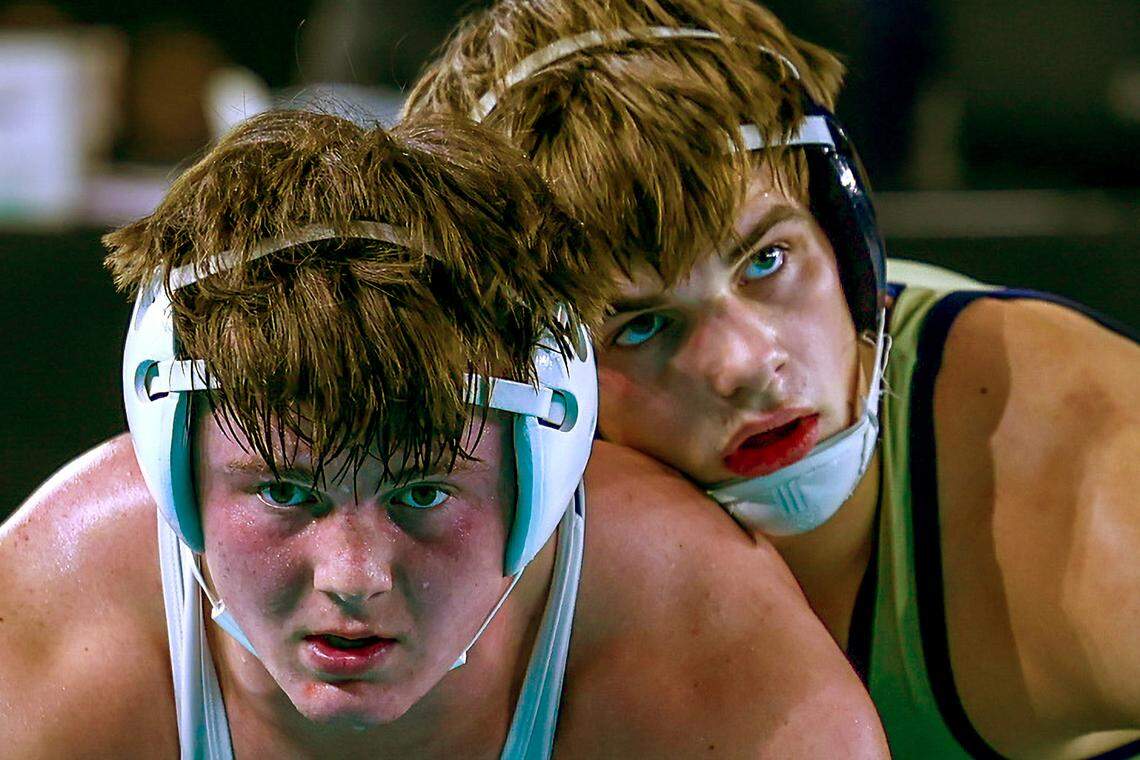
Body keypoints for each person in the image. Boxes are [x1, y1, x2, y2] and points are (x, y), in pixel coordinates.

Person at [0, 110, 885, 758]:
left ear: (540, 476)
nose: (354, 578)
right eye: (284, 492)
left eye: (423, 494)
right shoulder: (47, 625)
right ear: (175, 473)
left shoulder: (703, 637)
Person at [406, 1, 1140, 757]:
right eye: (643, 326)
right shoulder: (432, 519)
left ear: (847, 235)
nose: (747, 366)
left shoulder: (1074, 460)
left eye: (768, 260)